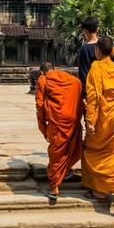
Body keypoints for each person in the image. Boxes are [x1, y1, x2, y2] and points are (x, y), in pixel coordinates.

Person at [81, 36, 114, 217]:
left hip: (103, 120)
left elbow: (94, 97)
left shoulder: (96, 69)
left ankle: (101, 191)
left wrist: (90, 120)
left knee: (93, 152)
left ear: (97, 51)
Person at [35, 62, 83, 201]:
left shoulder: (43, 79)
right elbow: (78, 85)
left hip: (57, 120)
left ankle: (54, 187)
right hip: (72, 119)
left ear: (42, 72)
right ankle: (65, 170)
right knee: (70, 148)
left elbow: (40, 104)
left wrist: (43, 124)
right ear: (54, 69)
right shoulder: (70, 78)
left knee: (56, 151)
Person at [77, 16, 114, 89]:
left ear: (85, 31)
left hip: (95, 89)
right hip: (111, 88)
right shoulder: (107, 44)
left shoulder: (84, 49)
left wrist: (84, 94)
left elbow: (84, 74)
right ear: (97, 29)